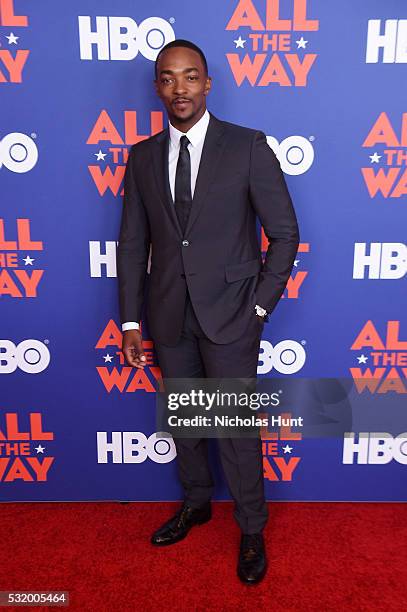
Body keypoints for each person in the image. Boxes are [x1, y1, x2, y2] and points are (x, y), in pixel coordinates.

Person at [117, 39, 299, 585]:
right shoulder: (143, 156)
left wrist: (259, 307)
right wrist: (131, 320)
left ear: (207, 84)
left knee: (237, 430)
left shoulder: (247, 147)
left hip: (232, 316)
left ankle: (250, 528)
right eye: (168, 78)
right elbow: (131, 244)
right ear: (157, 88)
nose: (180, 89)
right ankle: (196, 504)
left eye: (190, 77)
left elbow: (285, 234)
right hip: (169, 314)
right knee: (188, 424)